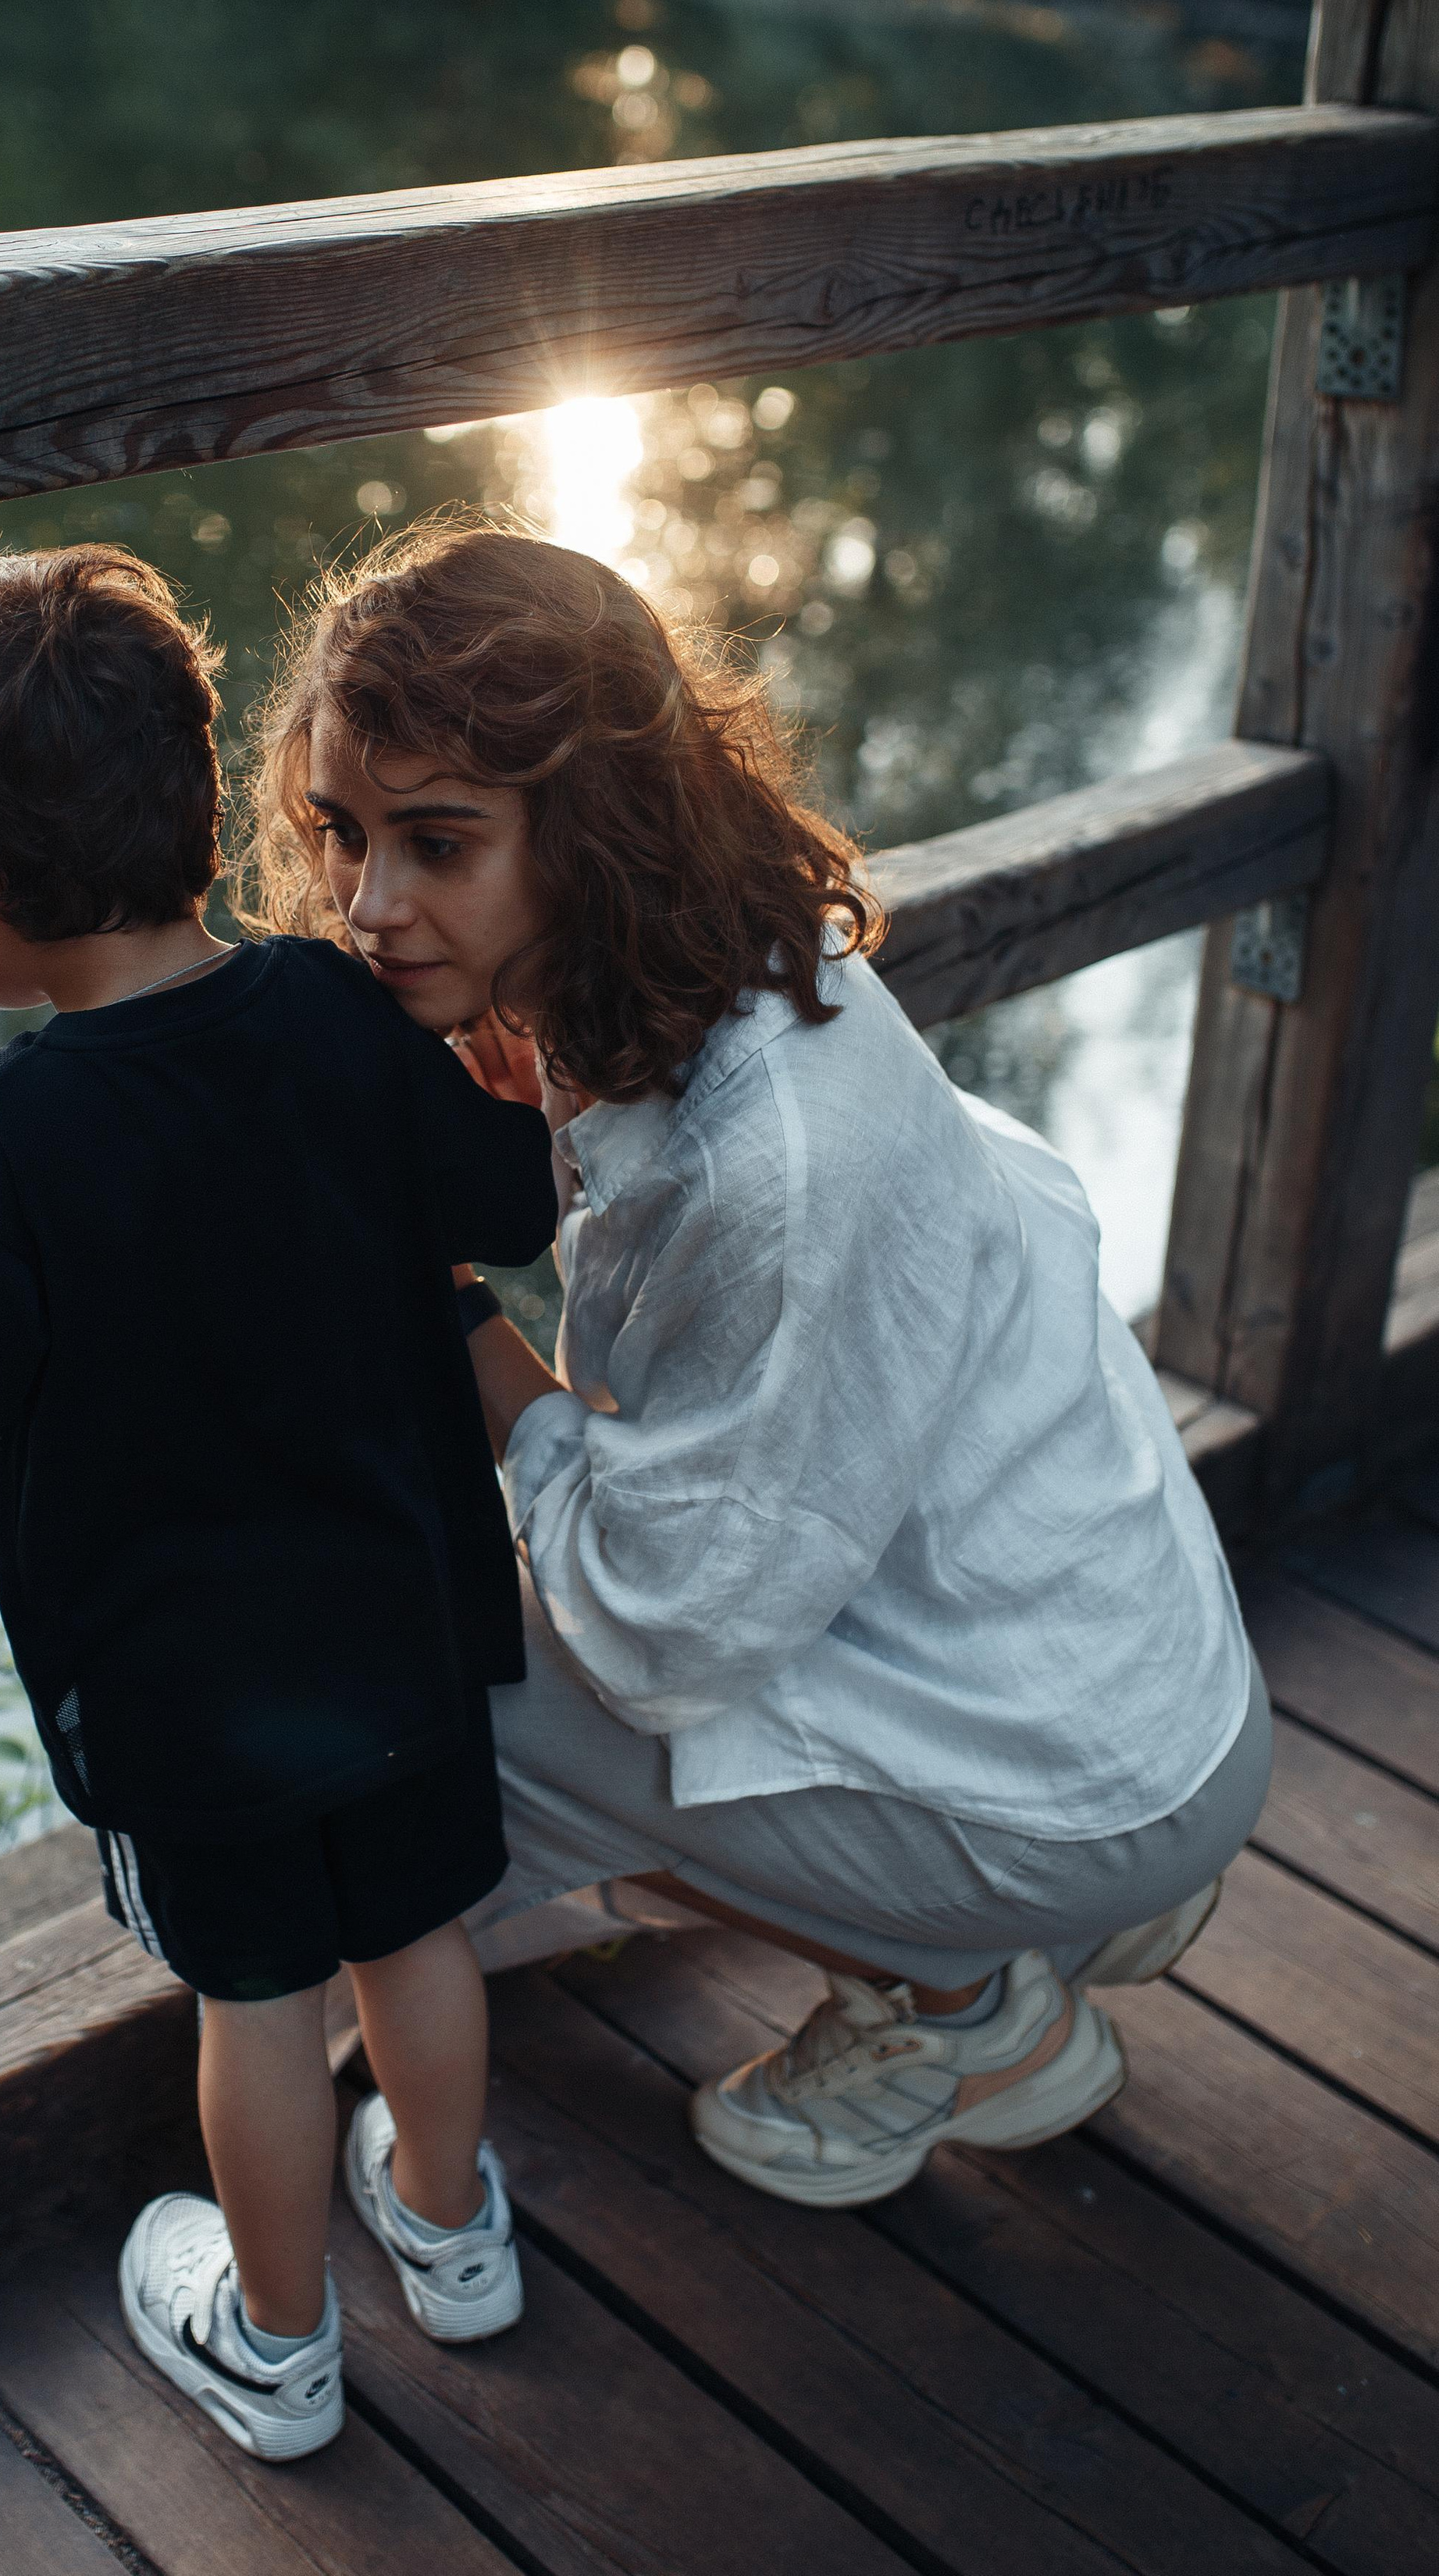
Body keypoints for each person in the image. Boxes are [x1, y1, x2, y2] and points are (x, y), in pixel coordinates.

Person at [252, 515, 1269, 2211]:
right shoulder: (724, 979)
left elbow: (665, 1621)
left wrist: (445, 1312)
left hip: (1089, 1770)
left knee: (412, 1704)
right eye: (342, 836)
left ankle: (965, 2002)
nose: (366, 904)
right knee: (507, 1698)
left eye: (436, 843)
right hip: (1106, 1673)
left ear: (591, 827)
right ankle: (1001, 1901)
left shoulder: (773, 1154)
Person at [0, 544, 554, 2457]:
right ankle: (453, 2238)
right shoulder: (335, 1010)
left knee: (255, 2002)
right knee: (417, 1942)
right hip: (403, 1629)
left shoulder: (15, 1138)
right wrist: (476, 1075)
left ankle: (282, 2346)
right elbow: (506, 1204)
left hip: (187, 1711)